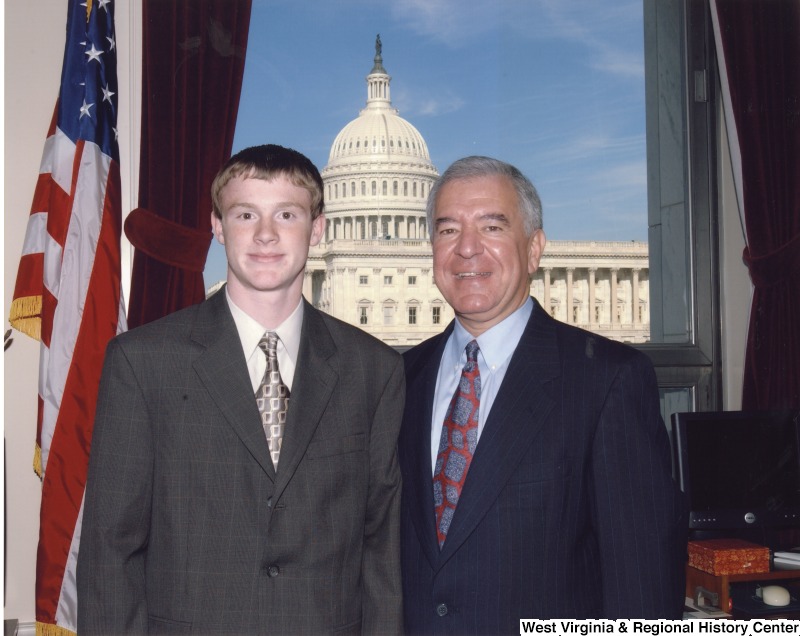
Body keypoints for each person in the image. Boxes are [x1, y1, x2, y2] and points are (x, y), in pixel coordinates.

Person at [77, 144, 405, 634]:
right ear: (216, 225)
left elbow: (381, 551)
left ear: (317, 229)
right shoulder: (142, 362)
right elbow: (111, 551)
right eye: (246, 213)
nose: (266, 235)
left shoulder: (374, 369)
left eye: (287, 214)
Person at [398, 156, 687, 633]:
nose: (467, 249)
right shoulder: (400, 378)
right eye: (448, 230)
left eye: (492, 227)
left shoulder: (609, 380)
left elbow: (642, 584)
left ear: (534, 250)